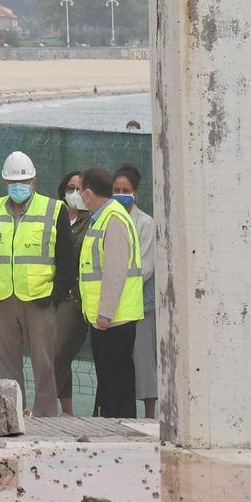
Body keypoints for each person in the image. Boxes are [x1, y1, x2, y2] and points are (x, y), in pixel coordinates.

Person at [0, 151, 62, 417]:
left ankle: (46, 414)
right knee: (6, 362)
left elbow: (66, 257)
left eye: (22, 182)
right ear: (4, 183)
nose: (18, 187)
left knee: (43, 361)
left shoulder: (53, 209)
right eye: (12, 183)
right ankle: (12, 412)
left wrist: (53, 296)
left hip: (38, 297)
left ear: (34, 181)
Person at [76, 167, 144, 418]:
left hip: (114, 318)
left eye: (80, 190)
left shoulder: (113, 219)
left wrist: (105, 312)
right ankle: (110, 425)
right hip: (105, 317)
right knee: (109, 381)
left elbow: (115, 272)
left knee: (117, 382)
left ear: (88, 193)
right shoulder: (104, 218)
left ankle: (121, 429)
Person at [113, 163, 159, 418]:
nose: (121, 193)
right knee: (119, 360)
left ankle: (150, 414)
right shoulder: (108, 219)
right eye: (116, 189)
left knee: (143, 358)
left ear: (136, 193)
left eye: (125, 189)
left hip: (140, 300)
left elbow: (146, 267)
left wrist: (117, 285)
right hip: (112, 303)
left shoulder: (145, 223)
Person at [51, 168, 93, 415]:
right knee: (55, 353)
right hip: (48, 292)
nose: (74, 193)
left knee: (59, 351)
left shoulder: (93, 220)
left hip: (75, 297)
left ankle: (43, 405)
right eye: (70, 188)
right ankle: (66, 410)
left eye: (79, 188)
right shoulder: (56, 214)